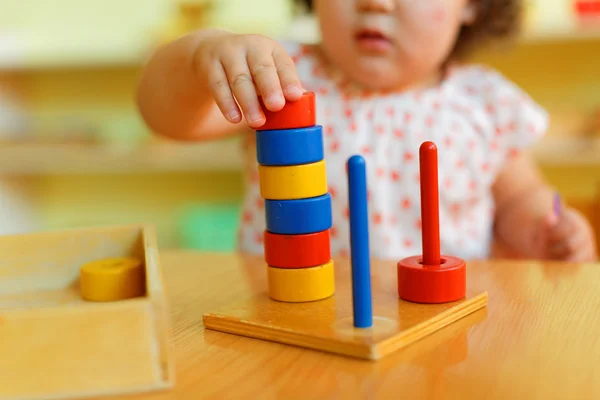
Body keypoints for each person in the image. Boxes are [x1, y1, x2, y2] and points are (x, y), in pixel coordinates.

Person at [136, 0, 597, 262]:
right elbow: (165, 118)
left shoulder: (484, 102)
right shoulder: (280, 76)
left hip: (443, 324)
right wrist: (202, 55)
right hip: (289, 321)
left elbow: (521, 197)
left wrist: (546, 226)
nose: (376, 2)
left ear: (472, 5)